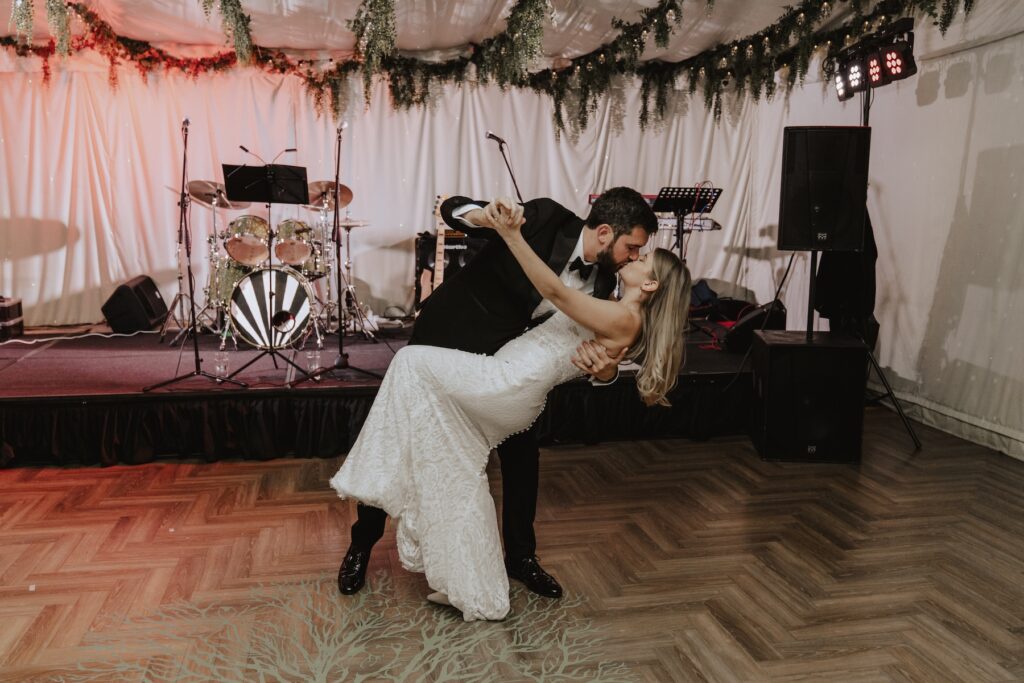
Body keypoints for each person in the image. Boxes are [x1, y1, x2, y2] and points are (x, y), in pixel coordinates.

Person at [330, 194, 692, 621]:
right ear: (604, 232)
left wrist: (606, 370)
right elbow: (456, 210)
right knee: (412, 429)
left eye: (639, 254)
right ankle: (365, 543)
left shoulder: (605, 286)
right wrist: (483, 217)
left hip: (509, 377)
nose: (634, 256)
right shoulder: (547, 217)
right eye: (633, 246)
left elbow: (597, 348)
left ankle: (519, 558)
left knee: (522, 457)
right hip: (455, 337)